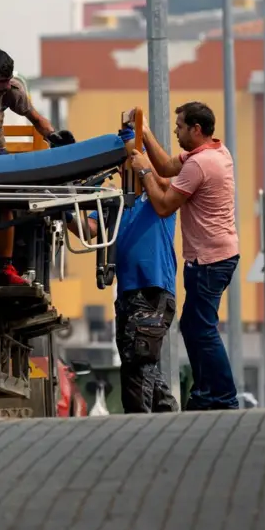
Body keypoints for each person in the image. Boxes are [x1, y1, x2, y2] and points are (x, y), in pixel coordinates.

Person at [127, 102, 241, 411]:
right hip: (216, 257)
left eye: (179, 127)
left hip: (209, 261)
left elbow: (164, 204)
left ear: (196, 129)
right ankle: (208, 393)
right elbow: (166, 169)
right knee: (194, 327)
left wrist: (143, 171)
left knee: (201, 328)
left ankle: (222, 396)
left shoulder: (200, 164)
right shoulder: (214, 152)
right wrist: (144, 132)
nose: (176, 132)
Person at [65, 127, 178, 414]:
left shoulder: (158, 195)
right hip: (128, 293)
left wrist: (140, 147)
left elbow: (166, 180)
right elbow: (89, 230)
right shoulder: (115, 201)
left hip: (153, 289)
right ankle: (170, 418)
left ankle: (136, 425)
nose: (124, 167)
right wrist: (66, 211)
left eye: (129, 160)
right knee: (137, 361)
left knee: (139, 361)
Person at [0, 48, 71, 285]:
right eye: (1, 81)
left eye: (8, 80)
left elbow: (37, 120)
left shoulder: (12, 92)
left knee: (6, 200)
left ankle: (6, 266)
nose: (6, 86)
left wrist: (53, 137)